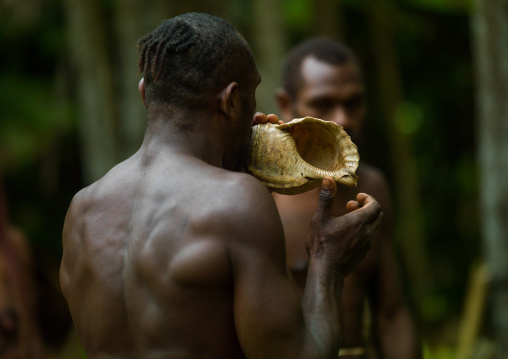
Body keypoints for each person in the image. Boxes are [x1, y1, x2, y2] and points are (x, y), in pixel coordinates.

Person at [60, 13, 383, 359]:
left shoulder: (82, 210)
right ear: (231, 101)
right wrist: (327, 264)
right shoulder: (238, 202)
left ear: (144, 93)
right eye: (252, 93)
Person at [274, 38, 421, 358]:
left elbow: (391, 313)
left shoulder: (372, 186)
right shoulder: (261, 195)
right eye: (323, 104)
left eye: (353, 103)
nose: (343, 119)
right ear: (286, 105)